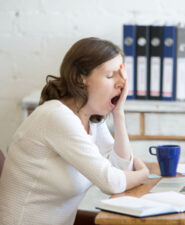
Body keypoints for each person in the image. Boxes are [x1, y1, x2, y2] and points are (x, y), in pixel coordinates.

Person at [0, 37, 149, 225]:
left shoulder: (90, 119)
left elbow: (121, 169)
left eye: (122, 75)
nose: (121, 83)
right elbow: (112, 182)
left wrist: (119, 113)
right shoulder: (56, 116)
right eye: (111, 75)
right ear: (81, 78)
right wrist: (144, 174)